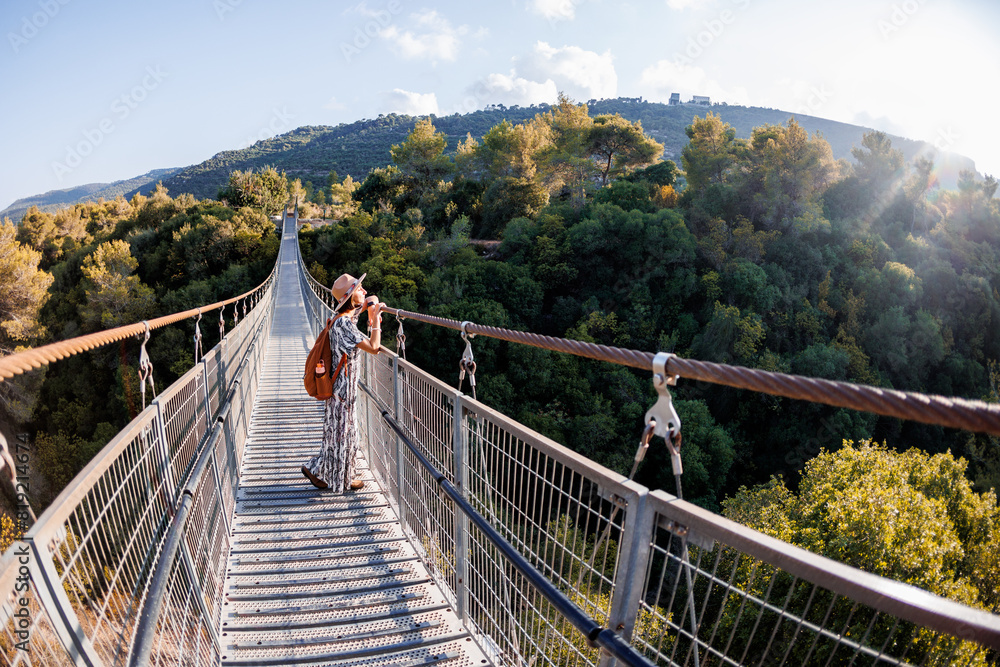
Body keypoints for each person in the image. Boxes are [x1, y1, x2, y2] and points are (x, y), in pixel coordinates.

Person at [302, 272, 383, 492]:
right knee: (345, 437)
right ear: (349, 297)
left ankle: (319, 470)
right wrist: (376, 321)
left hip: (339, 390)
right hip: (343, 392)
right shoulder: (345, 325)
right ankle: (340, 478)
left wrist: (370, 303)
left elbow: (364, 302)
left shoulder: (342, 319)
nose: (364, 290)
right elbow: (374, 347)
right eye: (359, 288)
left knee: (336, 435)